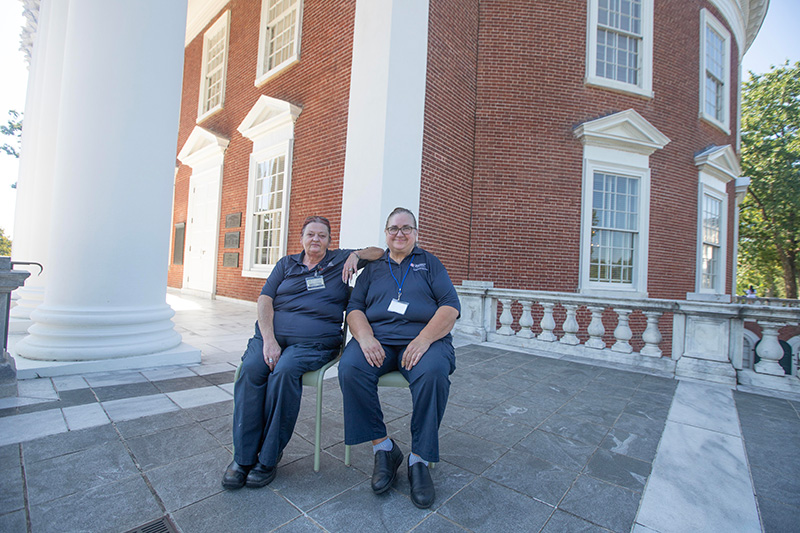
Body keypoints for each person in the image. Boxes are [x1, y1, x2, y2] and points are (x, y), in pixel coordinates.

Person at [222, 216, 383, 490]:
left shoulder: (339, 260)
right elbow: (265, 300)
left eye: (322, 235)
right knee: (250, 370)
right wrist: (269, 340)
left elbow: (379, 252)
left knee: (284, 371)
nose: (316, 240)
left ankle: (269, 457)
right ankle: (243, 457)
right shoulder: (286, 264)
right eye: (311, 234)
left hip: (314, 343)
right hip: (271, 337)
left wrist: (356, 255)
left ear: (330, 241)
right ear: (301, 238)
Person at [338, 207, 460, 509]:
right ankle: (384, 448)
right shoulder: (373, 268)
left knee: (433, 374)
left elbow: (450, 306)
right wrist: (364, 338)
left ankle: (419, 458)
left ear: (416, 233)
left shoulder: (430, 263)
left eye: (406, 228)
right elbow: (354, 308)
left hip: (423, 341)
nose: (400, 233)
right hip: (378, 341)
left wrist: (424, 339)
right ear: (386, 233)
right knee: (351, 368)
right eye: (394, 228)